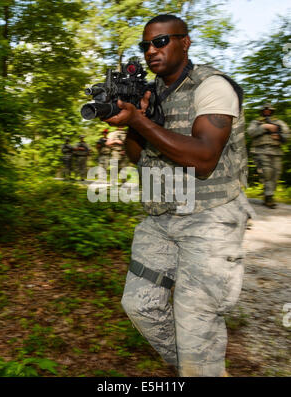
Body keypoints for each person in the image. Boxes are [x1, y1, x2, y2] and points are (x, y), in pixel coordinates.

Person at [103, 14, 253, 377]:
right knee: (140, 306)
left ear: (185, 42)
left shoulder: (212, 86)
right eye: (145, 45)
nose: (151, 51)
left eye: (161, 41)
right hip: (161, 216)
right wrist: (136, 120)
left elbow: (203, 159)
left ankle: (199, 366)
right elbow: (137, 157)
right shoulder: (152, 92)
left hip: (211, 217)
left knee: (195, 319)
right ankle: (197, 367)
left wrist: (140, 122)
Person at [247, 103, 290, 208]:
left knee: (276, 174)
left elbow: (288, 135)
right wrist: (264, 127)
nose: (267, 112)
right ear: (262, 112)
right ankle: (269, 196)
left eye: (269, 110)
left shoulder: (279, 122)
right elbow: (250, 132)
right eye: (265, 111)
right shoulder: (256, 122)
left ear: (272, 111)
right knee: (267, 173)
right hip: (261, 151)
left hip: (276, 151)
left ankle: (269, 195)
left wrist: (279, 136)